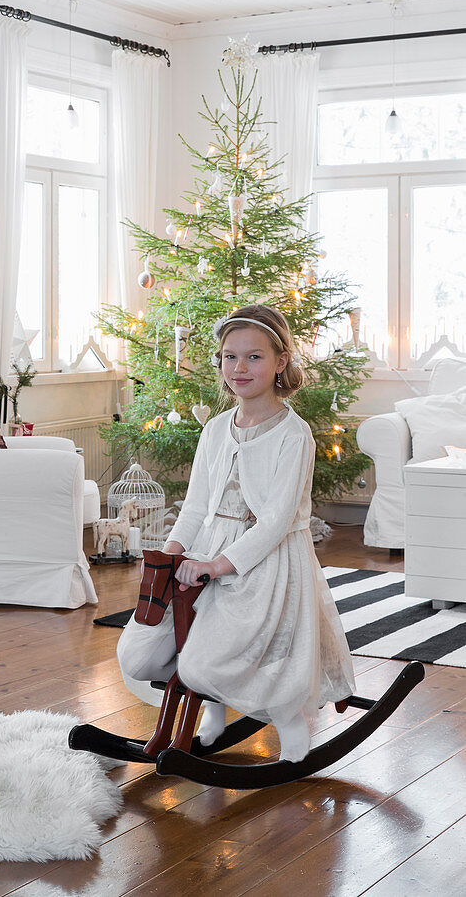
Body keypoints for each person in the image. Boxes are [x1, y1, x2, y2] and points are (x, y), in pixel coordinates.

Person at [117, 303, 355, 761]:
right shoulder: (215, 429)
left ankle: (290, 725)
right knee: (140, 654)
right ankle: (215, 707)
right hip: (203, 553)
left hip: (260, 560)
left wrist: (217, 566)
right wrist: (171, 556)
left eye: (254, 357)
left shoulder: (294, 434)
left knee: (210, 660)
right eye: (230, 356)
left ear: (280, 361)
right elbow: (195, 506)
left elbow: (277, 521)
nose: (239, 368)